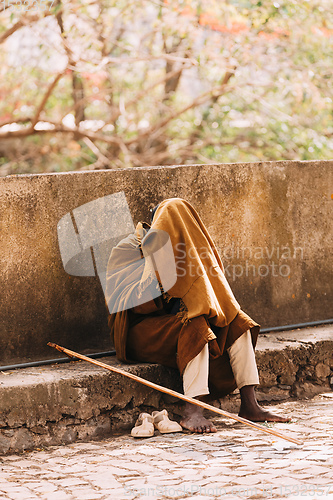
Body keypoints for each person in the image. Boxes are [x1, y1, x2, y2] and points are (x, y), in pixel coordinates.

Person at [105, 198, 289, 433]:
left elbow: (208, 293)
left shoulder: (185, 244)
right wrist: (155, 270)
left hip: (174, 323)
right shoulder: (127, 249)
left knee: (237, 321)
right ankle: (193, 409)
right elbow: (126, 303)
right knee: (195, 325)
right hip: (139, 329)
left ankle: (250, 404)